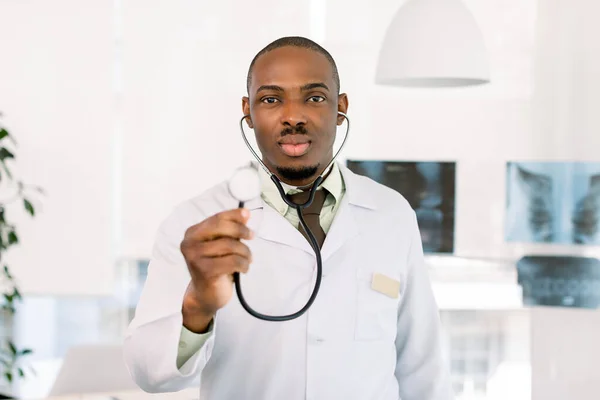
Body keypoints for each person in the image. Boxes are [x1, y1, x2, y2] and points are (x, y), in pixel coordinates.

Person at [123, 36, 454, 400]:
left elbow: (422, 367)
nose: (293, 116)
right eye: (271, 99)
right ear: (248, 112)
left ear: (340, 108)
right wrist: (197, 305)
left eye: (314, 97)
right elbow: (151, 375)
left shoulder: (390, 214)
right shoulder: (197, 222)